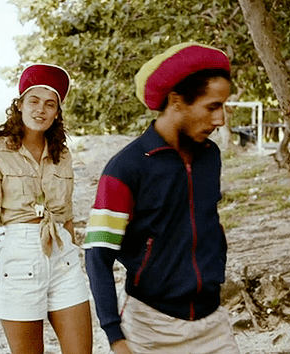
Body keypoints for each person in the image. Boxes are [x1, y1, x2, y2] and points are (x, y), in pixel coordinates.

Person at [83, 42, 241, 354]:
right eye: (212, 107)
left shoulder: (211, 156)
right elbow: (97, 254)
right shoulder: (125, 168)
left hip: (214, 323)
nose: (220, 120)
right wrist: (115, 337)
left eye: (223, 107)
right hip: (151, 330)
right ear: (176, 101)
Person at [0, 63, 93, 354]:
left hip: (64, 259)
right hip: (20, 261)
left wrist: (76, 256)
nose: (40, 110)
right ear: (19, 105)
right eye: (33, 101)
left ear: (57, 112)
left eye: (49, 104)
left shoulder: (63, 155)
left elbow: (66, 216)